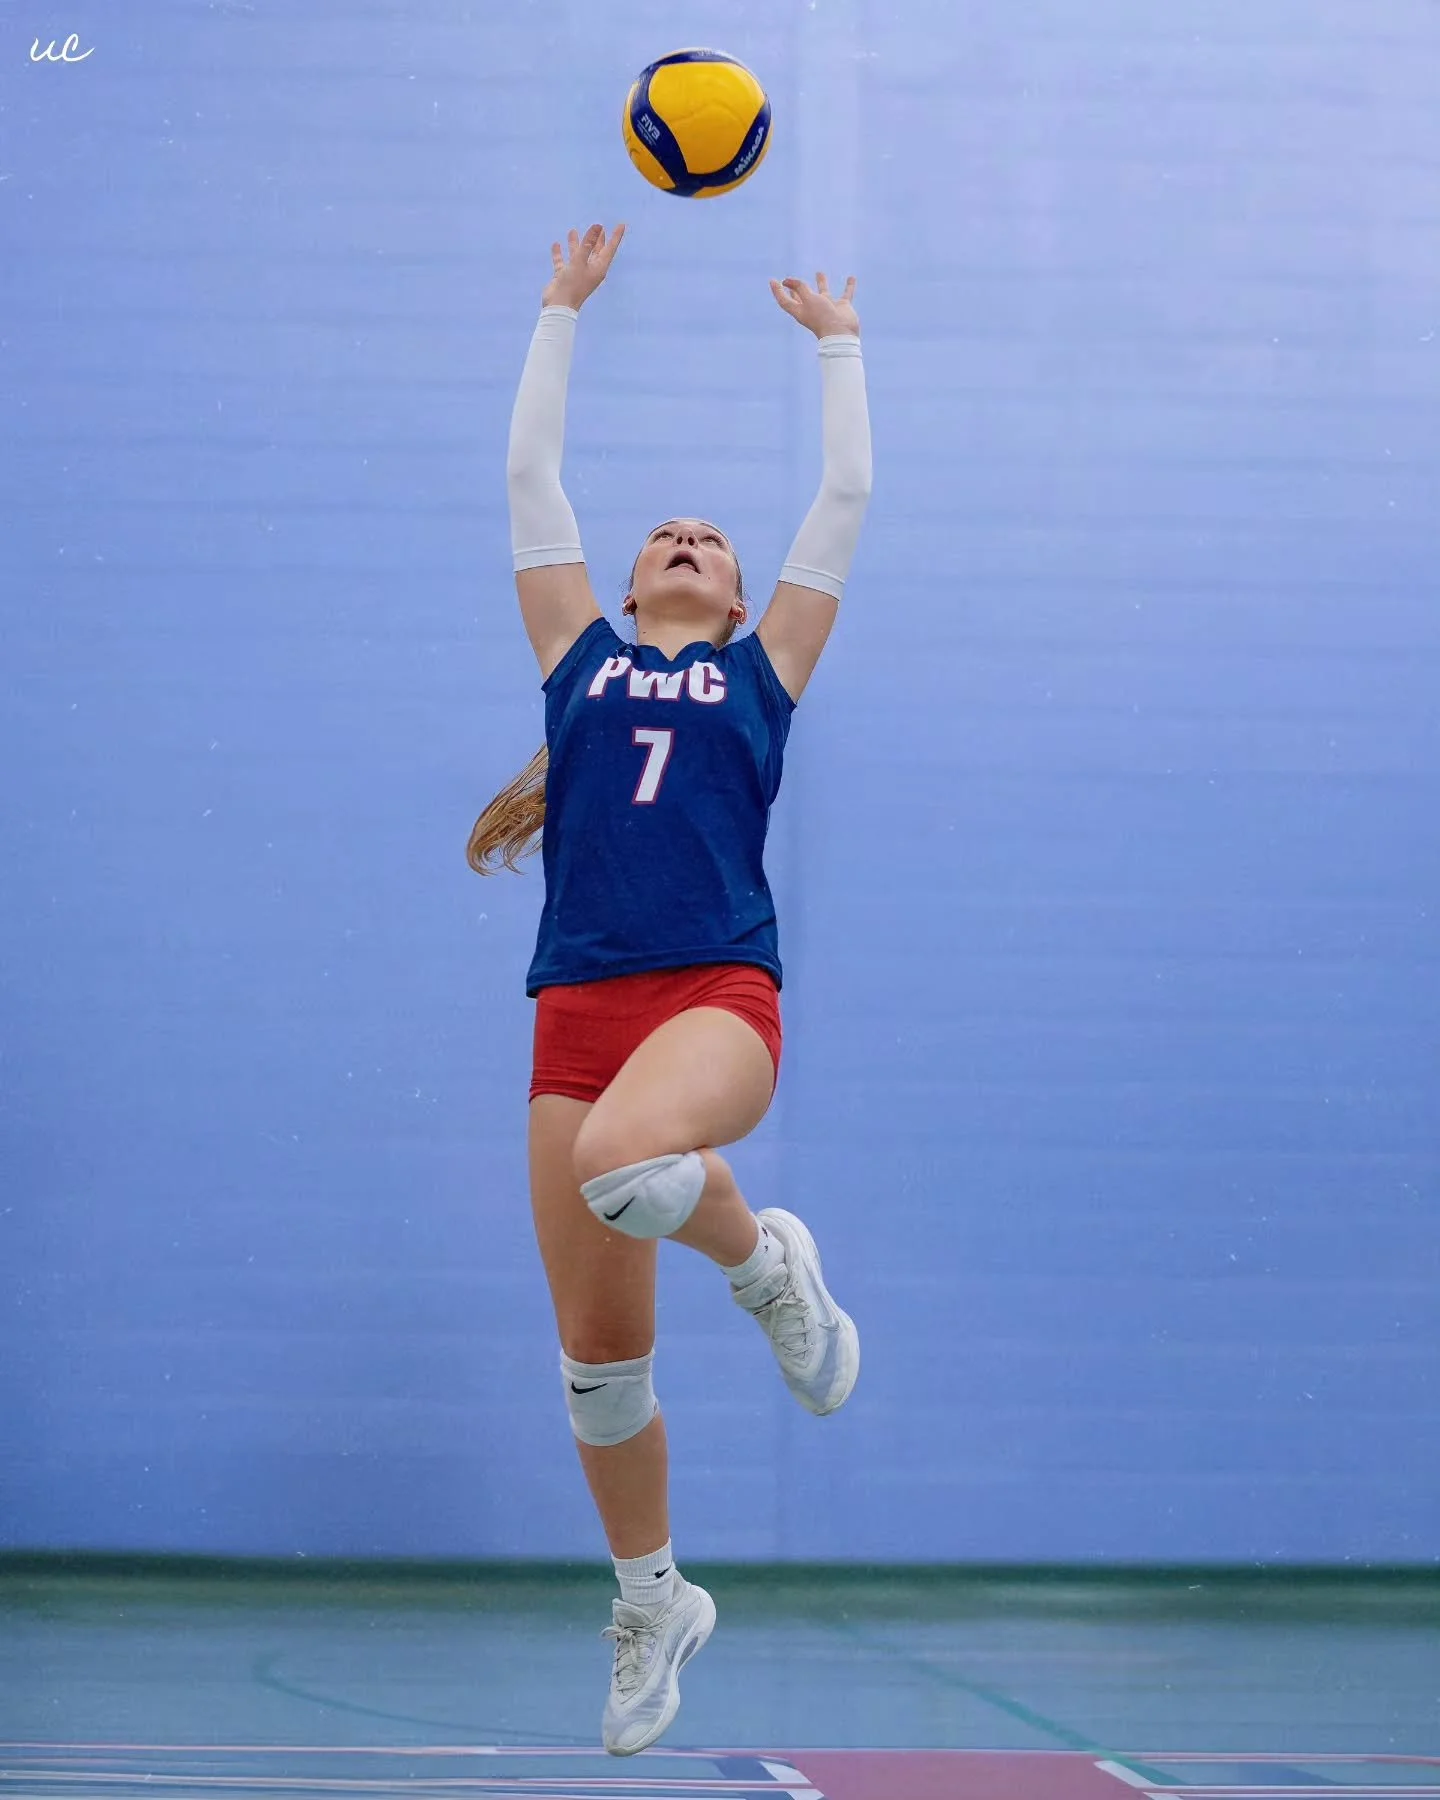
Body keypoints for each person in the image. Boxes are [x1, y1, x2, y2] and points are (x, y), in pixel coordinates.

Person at [468, 222, 873, 1756]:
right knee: (596, 1367)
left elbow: (845, 498)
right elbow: (529, 488)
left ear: (743, 582)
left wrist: (838, 343)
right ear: (633, 582)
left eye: (711, 531)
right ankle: (654, 1598)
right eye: (666, 533)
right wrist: (556, 308)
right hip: (576, 1012)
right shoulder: (578, 659)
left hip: (713, 996)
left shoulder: (767, 669)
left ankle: (766, 1260)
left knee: (626, 1162)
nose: (690, 533)